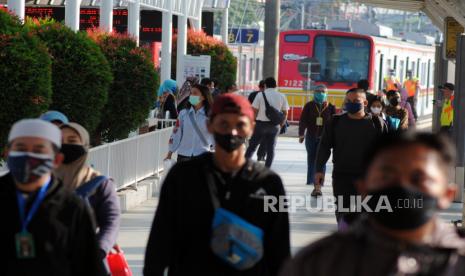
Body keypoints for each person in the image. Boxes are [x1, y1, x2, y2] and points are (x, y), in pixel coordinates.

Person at [144, 94, 290, 276]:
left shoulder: (270, 184)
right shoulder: (182, 177)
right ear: (210, 125)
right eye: (224, 124)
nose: (232, 132)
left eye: (240, 125)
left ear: (251, 128)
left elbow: (280, 248)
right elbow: (161, 237)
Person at [280, 132, 465, 276]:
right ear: (363, 188)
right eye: (387, 176)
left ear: (448, 194)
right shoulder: (319, 263)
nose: (402, 186)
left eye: (418, 178)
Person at [0, 119, 105, 275]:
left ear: (56, 160)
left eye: (38, 150)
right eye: (21, 148)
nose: (28, 156)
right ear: (7, 154)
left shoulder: (73, 207)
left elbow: (88, 267)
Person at [315, 88, 386, 228]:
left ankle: (364, 242)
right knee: (343, 212)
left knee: (368, 213)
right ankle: (345, 238)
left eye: (356, 101)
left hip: (369, 177)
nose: (351, 103)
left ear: (365, 102)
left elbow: (386, 150)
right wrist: (319, 170)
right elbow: (324, 147)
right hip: (342, 176)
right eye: (348, 101)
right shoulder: (335, 122)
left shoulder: (377, 123)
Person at [54, 122, 120, 272]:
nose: (64, 145)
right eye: (59, 141)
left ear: (84, 145)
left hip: (88, 261)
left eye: (72, 141)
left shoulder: (100, 184)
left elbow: (111, 222)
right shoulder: (43, 181)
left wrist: (99, 250)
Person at [298, 85, 336, 197]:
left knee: (321, 160)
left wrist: (334, 137)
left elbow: (334, 123)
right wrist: (301, 134)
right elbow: (303, 120)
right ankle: (310, 180)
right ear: (314, 93)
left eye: (323, 91)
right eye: (318, 91)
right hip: (311, 136)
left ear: (326, 93)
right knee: (311, 158)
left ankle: (319, 183)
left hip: (324, 138)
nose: (320, 93)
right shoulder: (309, 106)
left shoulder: (330, 107)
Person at [245, 77, 289, 168]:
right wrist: (281, 124)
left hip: (260, 124)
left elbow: (254, 110)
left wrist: (252, 122)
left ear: (265, 85)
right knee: (271, 149)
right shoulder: (282, 96)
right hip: (274, 126)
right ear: (276, 85)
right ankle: (267, 169)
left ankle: (244, 166)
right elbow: (285, 112)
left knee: (252, 147)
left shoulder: (260, 95)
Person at [165, 84, 214, 162]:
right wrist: (170, 152)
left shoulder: (211, 115)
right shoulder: (183, 114)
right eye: (190, 93)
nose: (191, 96)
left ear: (203, 97)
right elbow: (176, 133)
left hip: (202, 156)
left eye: (195, 93)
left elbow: (215, 135)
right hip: (183, 156)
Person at [248, 80, 267, 162]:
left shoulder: (252, 94)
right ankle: (261, 155)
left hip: (253, 119)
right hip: (264, 120)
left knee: (255, 138)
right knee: (264, 138)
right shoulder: (267, 95)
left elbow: (248, 106)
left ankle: (248, 156)